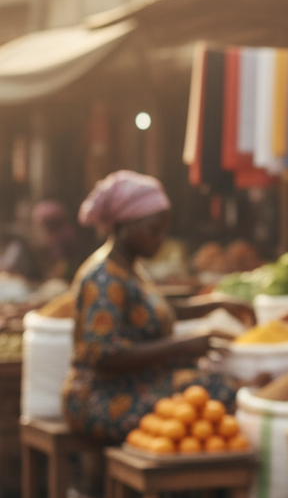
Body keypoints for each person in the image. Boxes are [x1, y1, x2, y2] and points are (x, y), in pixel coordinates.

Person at [63, 171, 254, 444]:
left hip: (134, 382)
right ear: (125, 225)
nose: (162, 238)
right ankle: (194, 483)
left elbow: (153, 313)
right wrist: (181, 346)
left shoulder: (130, 268)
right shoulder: (104, 277)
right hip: (100, 396)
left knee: (216, 381)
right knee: (218, 391)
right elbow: (103, 357)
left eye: (165, 229)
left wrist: (216, 304)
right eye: (154, 230)